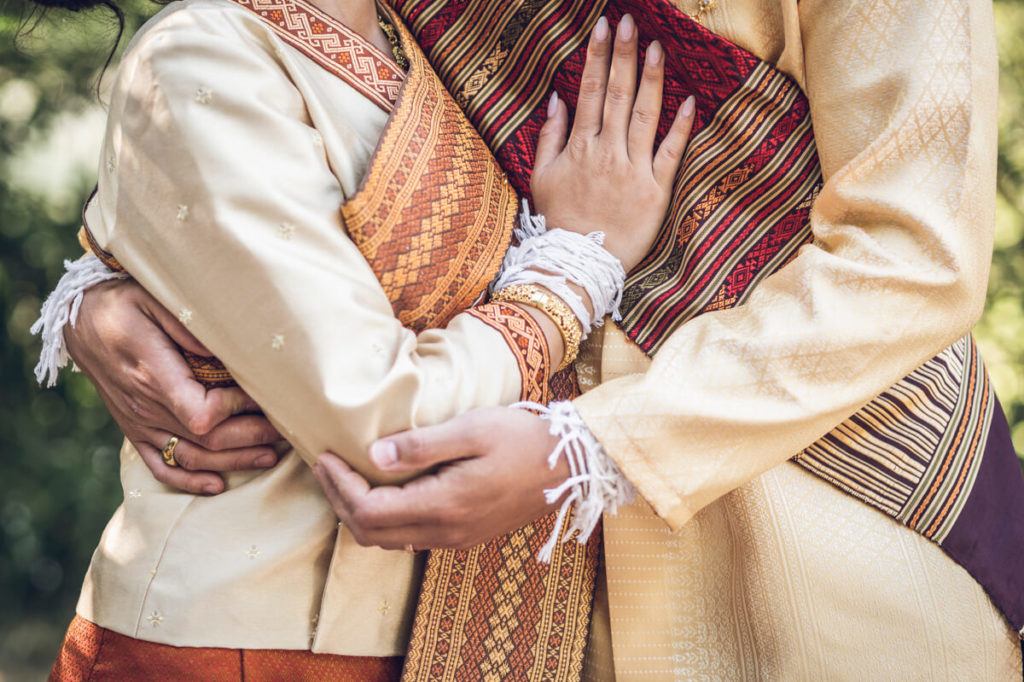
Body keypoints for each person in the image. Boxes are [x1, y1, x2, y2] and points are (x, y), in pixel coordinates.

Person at [53, 0, 1024, 679]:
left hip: (823, 546)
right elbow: (280, 110)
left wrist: (598, 449)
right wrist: (110, 281)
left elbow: (913, 252)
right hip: (503, 593)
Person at [28, 0, 694, 677]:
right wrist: (571, 269)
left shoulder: (439, 45)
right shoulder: (200, 53)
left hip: (429, 634)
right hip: (242, 647)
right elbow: (388, 425)